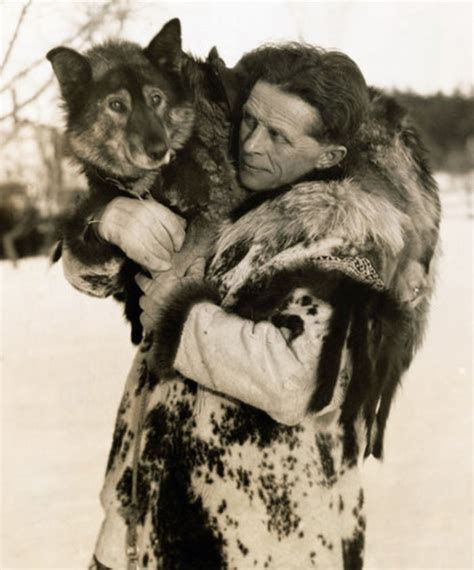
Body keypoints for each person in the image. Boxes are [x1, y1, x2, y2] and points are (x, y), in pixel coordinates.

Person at [63, 43, 439, 569]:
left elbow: (295, 383)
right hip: (145, 519)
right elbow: (98, 278)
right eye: (249, 121)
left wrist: (180, 315)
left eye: (278, 136)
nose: (251, 145)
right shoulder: (224, 196)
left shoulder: (347, 241)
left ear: (327, 157)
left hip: (259, 536)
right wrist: (105, 220)